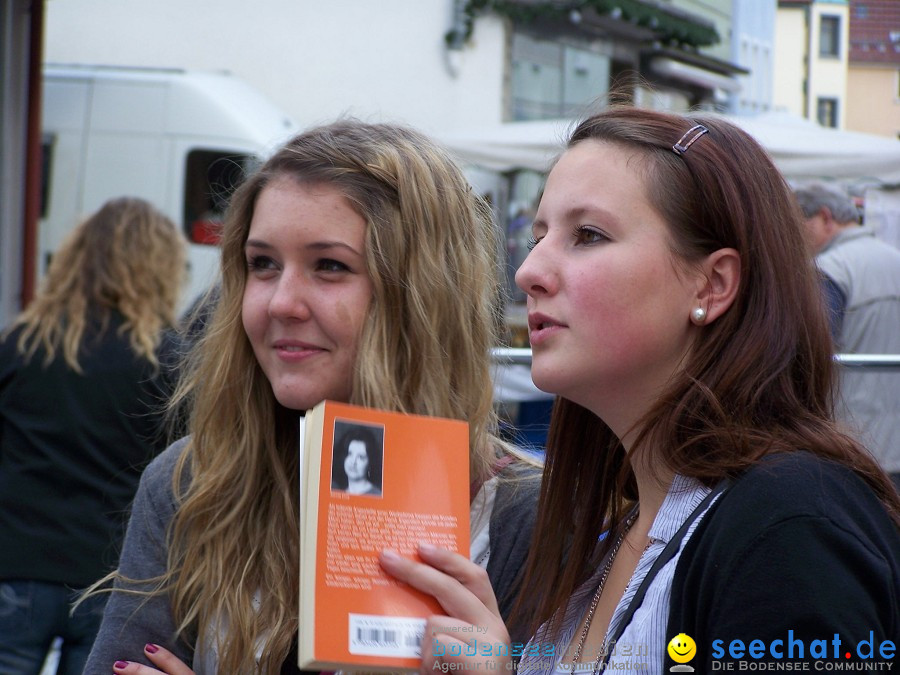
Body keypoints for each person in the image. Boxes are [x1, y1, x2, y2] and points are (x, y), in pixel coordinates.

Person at [380, 107, 900, 674]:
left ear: (713, 283)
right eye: (539, 235)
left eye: (588, 235)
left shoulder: (791, 529)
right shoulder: (621, 527)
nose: (529, 270)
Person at [83, 120, 541, 675]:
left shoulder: (525, 511)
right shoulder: (191, 482)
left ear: (421, 292)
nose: (281, 303)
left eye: (329, 266)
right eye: (263, 264)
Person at [0, 197, 186, 675]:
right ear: (160, 266)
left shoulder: (22, 343)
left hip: (17, 563)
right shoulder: (167, 360)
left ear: (74, 259)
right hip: (111, 575)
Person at [794, 182, 900, 491]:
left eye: (800, 224)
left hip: (856, 443)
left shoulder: (831, 268)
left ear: (825, 217)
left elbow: (811, 349)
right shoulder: (895, 258)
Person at [330, 422, 383, 496]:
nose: (353, 461)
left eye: (361, 457)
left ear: (370, 463)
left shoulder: (377, 495)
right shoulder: (336, 493)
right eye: (350, 454)